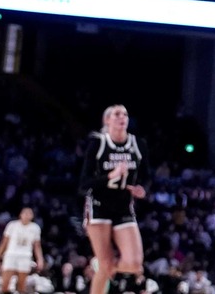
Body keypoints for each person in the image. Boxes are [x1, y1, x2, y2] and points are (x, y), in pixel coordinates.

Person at [79, 105, 149, 294]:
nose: (122, 117)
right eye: (117, 114)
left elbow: (147, 177)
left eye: (125, 114)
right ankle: (103, 263)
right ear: (107, 120)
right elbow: (84, 183)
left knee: (134, 265)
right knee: (107, 267)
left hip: (124, 206)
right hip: (99, 205)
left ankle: (100, 262)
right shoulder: (98, 143)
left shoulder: (137, 144)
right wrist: (110, 176)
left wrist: (143, 189)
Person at [0, 207, 45, 294]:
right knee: (5, 283)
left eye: (29, 213)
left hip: (25, 256)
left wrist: (40, 259)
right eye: (25, 213)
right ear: (20, 214)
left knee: (21, 285)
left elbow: (37, 246)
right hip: (11, 255)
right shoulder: (12, 225)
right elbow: (4, 243)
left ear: (32, 216)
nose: (26, 215)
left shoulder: (35, 228)